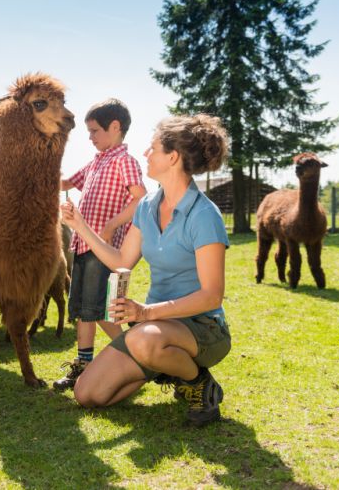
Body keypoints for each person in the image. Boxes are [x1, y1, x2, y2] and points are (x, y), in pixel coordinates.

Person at [60, 114, 231, 426]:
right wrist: (80, 227)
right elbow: (121, 261)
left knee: (143, 340)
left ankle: (199, 384)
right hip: (154, 330)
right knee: (87, 394)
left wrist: (146, 313)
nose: (145, 154)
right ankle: (168, 367)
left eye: (152, 149)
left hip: (203, 330)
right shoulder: (147, 206)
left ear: (173, 157)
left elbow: (211, 295)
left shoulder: (205, 215)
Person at [54, 98, 146, 391]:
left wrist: (112, 225)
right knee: (83, 309)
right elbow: (66, 183)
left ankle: (137, 355)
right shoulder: (96, 162)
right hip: (82, 245)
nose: (90, 137)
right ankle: (83, 365)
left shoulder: (124, 161)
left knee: (101, 310)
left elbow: (140, 197)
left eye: (94, 131)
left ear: (115, 127)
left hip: (103, 251)